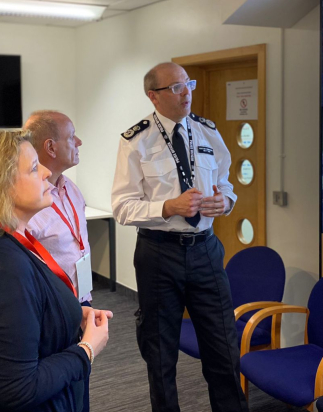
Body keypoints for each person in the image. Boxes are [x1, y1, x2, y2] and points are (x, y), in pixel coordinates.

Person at [111, 62, 247, 412]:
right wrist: (168, 206)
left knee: (224, 350)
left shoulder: (207, 132)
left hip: (206, 252)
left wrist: (225, 201)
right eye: (176, 87)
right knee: (160, 356)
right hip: (159, 254)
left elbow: (227, 182)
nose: (186, 92)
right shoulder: (135, 141)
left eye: (189, 84)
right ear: (153, 96)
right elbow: (122, 208)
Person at [0, 130, 110, 412]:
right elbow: (19, 390)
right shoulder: (0, 270)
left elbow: (25, 311)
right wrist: (87, 350)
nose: (46, 172)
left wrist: (66, 314)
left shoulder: (4, 244)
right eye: (34, 168)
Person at [24, 110, 94, 412]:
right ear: (51, 147)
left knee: (80, 380)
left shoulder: (70, 188)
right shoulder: (28, 200)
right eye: (71, 136)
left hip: (81, 299)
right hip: (49, 313)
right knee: (54, 390)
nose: (79, 141)